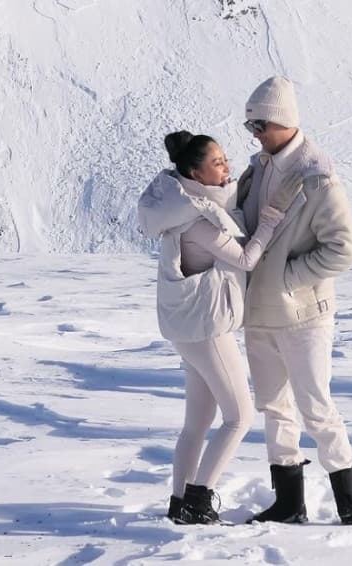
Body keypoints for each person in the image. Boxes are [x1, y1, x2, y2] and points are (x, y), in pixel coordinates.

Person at [137, 131, 298, 525]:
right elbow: (244, 258)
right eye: (218, 163)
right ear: (195, 172)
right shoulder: (197, 218)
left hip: (192, 327)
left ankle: (179, 502)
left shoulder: (183, 206)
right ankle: (197, 498)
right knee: (239, 417)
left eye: (225, 159)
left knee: (197, 423)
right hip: (207, 328)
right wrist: (270, 222)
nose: (226, 168)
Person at [236, 76, 352, 525]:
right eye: (251, 126)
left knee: (316, 407)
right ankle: (290, 504)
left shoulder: (318, 177)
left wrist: (287, 277)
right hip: (258, 314)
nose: (254, 134)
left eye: (261, 126)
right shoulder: (257, 171)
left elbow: (344, 248)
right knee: (273, 407)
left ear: (285, 122)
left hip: (302, 316)